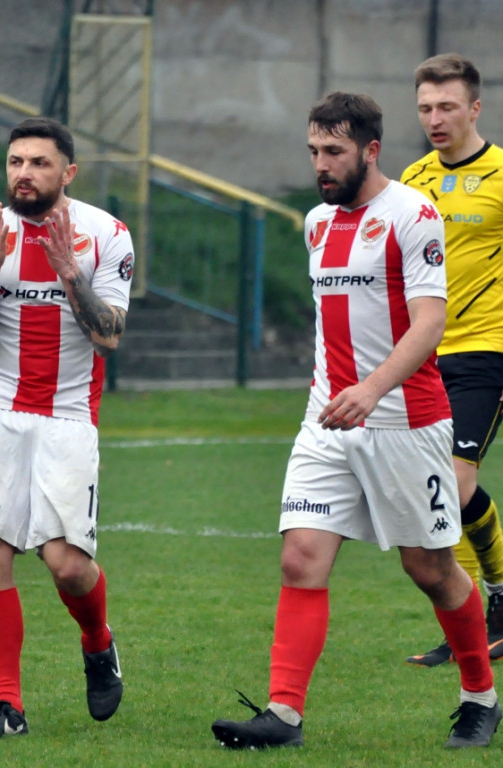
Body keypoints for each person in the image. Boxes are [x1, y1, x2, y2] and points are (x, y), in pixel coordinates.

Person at [211, 92, 501, 750]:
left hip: (405, 422)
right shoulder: (316, 222)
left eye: (334, 152)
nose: (321, 164)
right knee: (300, 557)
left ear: (371, 150)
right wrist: (339, 394)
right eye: (314, 151)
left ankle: (481, 696)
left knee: (428, 567)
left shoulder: (412, 214)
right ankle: (283, 716)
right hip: (327, 420)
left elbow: (431, 322)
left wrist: (372, 388)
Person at [0, 117, 133, 737]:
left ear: (68, 173)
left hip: (66, 416)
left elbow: (108, 336)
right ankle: (8, 706)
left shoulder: (106, 234)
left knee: (66, 565)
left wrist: (70, 272)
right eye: (15, 162)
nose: (24, 173)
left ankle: (97, 640)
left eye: (38, 163)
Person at [401, 53, 503, 668]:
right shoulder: (413, 179)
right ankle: (469, 624)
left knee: (456, 482)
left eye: (446, 107)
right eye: (425, 108)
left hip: (486, 350)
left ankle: (499, 594)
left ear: (474, 108)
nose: (435, 119)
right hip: (423, 354)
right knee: (430, 495)